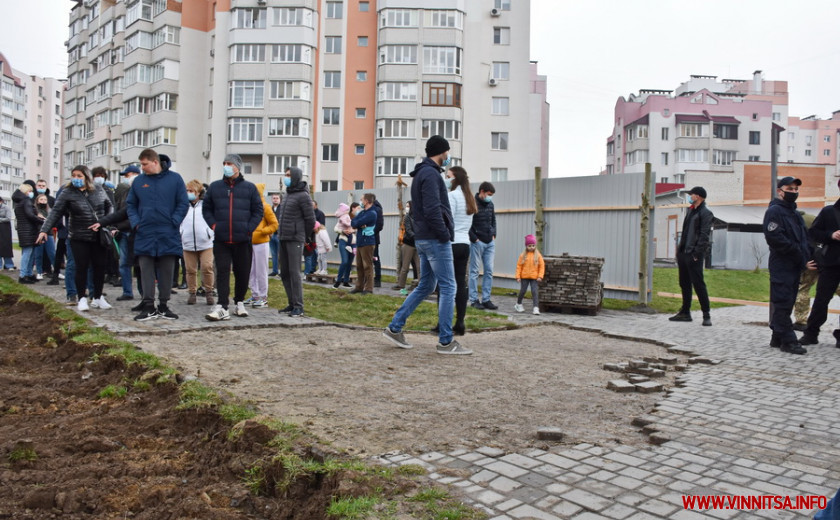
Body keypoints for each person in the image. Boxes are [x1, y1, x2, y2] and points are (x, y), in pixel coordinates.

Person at [383, 135, 471, 355]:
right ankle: (446, 341)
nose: (448, 156)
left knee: (426, 285)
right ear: (441, 151)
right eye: (447, 151)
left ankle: (395, 327)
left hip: (423, 239)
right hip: (435, 239)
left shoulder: (422, 173)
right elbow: (433, 209)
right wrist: (444, 234)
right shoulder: (431, 175)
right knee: (449, 286)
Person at [37, 166, 114, 311]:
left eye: (79, 176)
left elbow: (109, 206)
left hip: (99, 234)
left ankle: (97, 297)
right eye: (74, 175)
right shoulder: (67, 192)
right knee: (81, 267)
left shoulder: (98, 189)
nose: (76, 179)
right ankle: (82, 298)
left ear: (86, 177)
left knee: (99, 267)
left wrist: (106, 223)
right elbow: (55, 213)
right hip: (78, 235)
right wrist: (44, 230)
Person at [126, 148, 190, 321]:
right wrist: (136, 223)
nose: (142, 168)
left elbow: (183, 203)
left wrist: (174, 221)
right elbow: (130, 204)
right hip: (145, 232)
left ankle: (163, 305)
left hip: (167, 232)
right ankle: (148, 306)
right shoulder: (139, 181)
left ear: (155, 162)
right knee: (146, 270)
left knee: (166, 271)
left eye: (144, 164)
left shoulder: (175, 179)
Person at [203, 154, 264, 321]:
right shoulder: (215, 187)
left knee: (242, 272)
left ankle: (239, 302)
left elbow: (258, 211)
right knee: (222, 271)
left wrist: (248, 229)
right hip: (222, 239)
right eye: (224, 163)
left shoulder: (250, 188)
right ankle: (222, 305)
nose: (226, 166)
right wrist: (214, 225)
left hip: (242, 239)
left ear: (238, 166)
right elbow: (206, 208)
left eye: (229, 163)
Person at [764, 176, 816, 355]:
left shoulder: (794, 213)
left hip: (795, 265)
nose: (793, 192)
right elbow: (775, 238)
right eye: (790, 189)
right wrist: (799, 255)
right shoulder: (775, 211)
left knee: (787, 301)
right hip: (782, 264)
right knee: (783, 302)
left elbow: (804, 238)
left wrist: (808, 256)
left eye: (795, 189)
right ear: (780, 191)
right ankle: (788, 340)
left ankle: (777, 337)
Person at [799, 181, 840, 347]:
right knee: (821, 300)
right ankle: (811, 333)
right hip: (831, 263)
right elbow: (814, 233)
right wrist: (831, 235)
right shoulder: (829, 211)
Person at [669, 186, 714, 326]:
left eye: (692, 194)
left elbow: (704, 235)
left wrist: (697, 253)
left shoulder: (706, 213)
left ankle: (706, 315)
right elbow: (686, 231)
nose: (690, 196)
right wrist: (679, 251)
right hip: (684, 252)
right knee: (684, 283)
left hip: (694, 254)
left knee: (698, 284)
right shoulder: (690, 210)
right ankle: (685, 312)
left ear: (699, 196)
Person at [276, 166, 315, 317]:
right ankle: (291, 303)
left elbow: (310, 219)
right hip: (283, 237)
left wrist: (302, 235)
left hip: (295, 238)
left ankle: (299, 306)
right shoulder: (287, 194)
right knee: (284, 272)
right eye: (285, 174)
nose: (286, 177)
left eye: (288, 175)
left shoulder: (303, 196)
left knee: (294, 272)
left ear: (296, 177)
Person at [180, 179, 216, 306]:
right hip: (188, 243)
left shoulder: (206, 205)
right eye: (187, 191)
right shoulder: (183, 206)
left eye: (191, 191)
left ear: (198, 192)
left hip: (206, 242)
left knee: (207, 267)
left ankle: (209, 292)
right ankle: (192, 293)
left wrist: (210, 233)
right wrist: (181, 233)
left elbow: (213, 220)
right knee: (190, 269)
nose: (189, 193)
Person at [248, 183, 279, 308]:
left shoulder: (265, 207)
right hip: (249, 243)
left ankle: (263, 297)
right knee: (251, 271)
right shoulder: (249, 207)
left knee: (261, 271)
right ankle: (255, 295)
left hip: (261, 243)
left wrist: (263, 232)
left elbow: (274, 224)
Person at [469, 181, 498, 310]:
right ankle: (474, 299)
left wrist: (494, 234)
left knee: (489, 271)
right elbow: (467, 223)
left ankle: (486, 299)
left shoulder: (490, 204)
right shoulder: (472, 204)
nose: (490, 197)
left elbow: (493, 220)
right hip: (477, 242)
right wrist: (474, 239)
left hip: (489, 242)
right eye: (488, 194)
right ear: (482, 191)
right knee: (474, 272)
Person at [13, 181, 41, 283]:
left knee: (30, 253)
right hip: (28, 230)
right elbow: (30, 215)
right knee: (28, 253)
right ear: (26, 191)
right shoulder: (26, 201)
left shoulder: (18, 202)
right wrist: (41, 220)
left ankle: (28, 274)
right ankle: (23, 275)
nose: (31, 193)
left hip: (24, 230)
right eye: (30, 191)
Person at [350, 193, 378, 295]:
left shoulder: (372, 213)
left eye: (362, 200)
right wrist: (359, 224)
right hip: (360, 241)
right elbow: (353, 223)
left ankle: (369, 288)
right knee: (359, 266)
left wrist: (358, 224)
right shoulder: (362, 213)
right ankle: (359, 286)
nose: (361, 202)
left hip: (368, 242)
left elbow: (356, 223)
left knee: (367, 266)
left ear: (367, 201)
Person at [392, 200, 419, 295]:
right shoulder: (407, 217)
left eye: (408, 206)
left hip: (418, 244)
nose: (407, 207)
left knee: (419, 267)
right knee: (405, 266)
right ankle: (401, 285)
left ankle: (421, 286)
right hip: (408, 244)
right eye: (406, 206)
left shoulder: (420, 217)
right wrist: (418, 237)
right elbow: (408, 230)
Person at [514, 234, 546, 315]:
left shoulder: (538, 255)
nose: (531, 247)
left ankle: (536, 307)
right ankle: (518, 304)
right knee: (523, 291)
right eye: (529, 245)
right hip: (524, 277)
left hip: (534, 277)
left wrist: (540, 276)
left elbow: (542, 266)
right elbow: (519, 266)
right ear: (526, 246)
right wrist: (518, 276)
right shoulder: (523, 255)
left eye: (533, 245)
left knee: (534, 292)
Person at [31, 193, 55, 281]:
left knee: (52, 253)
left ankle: (56, 272)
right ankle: (39, 272)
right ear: (37, 201)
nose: (43, 201)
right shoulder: (34, 210)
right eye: (41, 200)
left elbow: (53, 221)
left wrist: (44, 219)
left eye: (45, 200)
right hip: (38, 234)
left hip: (49, 234)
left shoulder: (50, 210)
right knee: (38, 254)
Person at [333, 202, 355, 288]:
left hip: (353, 243)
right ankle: (338, 281)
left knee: (349, 262)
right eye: (357, 208)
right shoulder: (344, 217)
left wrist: (353, 230)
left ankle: (346, 281)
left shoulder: (358, 218)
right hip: (343, 241)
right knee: (345, 261)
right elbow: (336, 228)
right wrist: (343, 231)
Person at [304, 200, 326, 275]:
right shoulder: (308, 214)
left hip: (317, 236)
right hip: (309, 236)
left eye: (312, 205)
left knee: (317, 253)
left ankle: (320, 268)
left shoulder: (320, 214)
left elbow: (322, 225)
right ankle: (311, 269)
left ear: (316, 205)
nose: (311, 206)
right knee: (310, 253)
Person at [372, 196, 385, 288]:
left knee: (375, 258)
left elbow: (380, 225)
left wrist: (371, 232)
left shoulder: (377, 210)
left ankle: (377, 279)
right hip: (368, 238)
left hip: (373, 238)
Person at [269, 193, 282, 277]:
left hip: (279, 234)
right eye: (274, 198)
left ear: (280, 199)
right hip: (271, 234)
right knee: (273, 254)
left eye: (277, 198)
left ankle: (282, 271)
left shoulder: (282, 209)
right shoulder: (270, 209)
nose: (275, 199)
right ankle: (275, 270)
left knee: (281, 254)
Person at [0, 196, 14, 270]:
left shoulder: (6, 208)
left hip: (5, 229)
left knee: (6, 247)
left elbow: (8, 218)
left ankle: (9, 265)